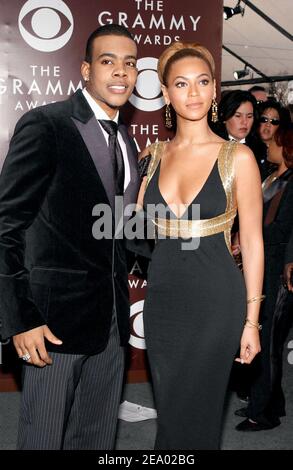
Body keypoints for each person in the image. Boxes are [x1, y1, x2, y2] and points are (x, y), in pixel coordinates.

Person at [0, 24, 139, 449]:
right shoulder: (47, 124)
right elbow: (6, 227)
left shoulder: (128, 142)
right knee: (43, 438)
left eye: (129, 63)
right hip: (52, 324)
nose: (120, 72)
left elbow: (122, 232)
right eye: (107, 61)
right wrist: (21, 318)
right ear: (85, 69)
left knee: (96, 438)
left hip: (112, 323)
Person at [136, 41, 263, 449]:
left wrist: (251, 321)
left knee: (201, 414)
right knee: (171, 415)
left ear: (213, 92)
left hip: (215, 301)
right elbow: (136, 229)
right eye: (181, 83)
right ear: (167, 93)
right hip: (164, 302)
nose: (193, 92)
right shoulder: (152, 156)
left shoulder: (235, 157)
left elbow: (254, 243)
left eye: (202, 82)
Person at [236, 128, 293, 431]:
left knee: (268, 341)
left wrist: (247, 238)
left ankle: (263, 413)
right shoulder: (271, 178)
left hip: (274, 268)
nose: (268, 144)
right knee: (268, 339)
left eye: (275, 142)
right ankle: (272, 404)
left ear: (287, 147)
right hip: (262, 264)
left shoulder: (291, 182)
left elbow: (283, 229)